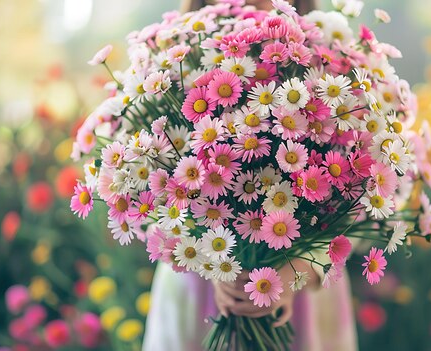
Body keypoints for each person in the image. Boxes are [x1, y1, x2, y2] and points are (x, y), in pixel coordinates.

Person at [143, 1, 357, 350]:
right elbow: (154, 192)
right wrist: (211, 262)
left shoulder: (329, 66)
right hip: (198, 275)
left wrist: (298, 270)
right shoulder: (176, 61)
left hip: (302, 285)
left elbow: (355, 201)